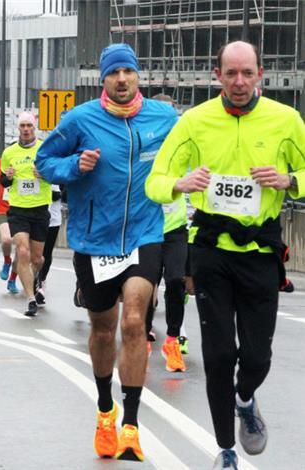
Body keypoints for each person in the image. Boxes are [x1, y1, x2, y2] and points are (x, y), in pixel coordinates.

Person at [145, 40, 305, 469]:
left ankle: (246, 399)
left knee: (257, 357)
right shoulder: (194, 122)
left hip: (260, 251)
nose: (239, 82)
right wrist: (179, 185)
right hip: (212, 250)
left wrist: (289, 180)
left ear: (261, 74)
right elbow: (155, 180)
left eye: (246, 73)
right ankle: (226, 451)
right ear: (217, 75)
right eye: (230, 73)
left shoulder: (286, 120)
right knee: (217, 357)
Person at [36, 43, 177, 462]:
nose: (121, 79)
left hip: (144, 233)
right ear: (103, 79)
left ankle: (131, 425)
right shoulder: (80, 119)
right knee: (102, 328)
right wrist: (74, 165)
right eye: (113, 73)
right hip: (94, 239)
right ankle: (104, 411)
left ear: (138, 76)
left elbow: (192, 148)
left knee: (135, 321)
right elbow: (45, 161)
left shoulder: (163, 117)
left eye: (127, 73)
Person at [0, 112, 52, 316]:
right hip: (18, 210)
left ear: (34, 127)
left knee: (37, 259)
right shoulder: (9, 152)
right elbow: (3, 181)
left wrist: (45, 174)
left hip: (40, 208)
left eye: (29, 125)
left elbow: (56, 174)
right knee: (22, 251)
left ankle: (34, 278)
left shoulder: (45, 149)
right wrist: (8, 177)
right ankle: (30, 298)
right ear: (18, 128)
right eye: (23, 126)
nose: (26, 129)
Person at [35, 184, 63, 306]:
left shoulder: (60, 170)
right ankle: (35, 283)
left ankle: (42, 280)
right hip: (36, 217)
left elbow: (65, 191)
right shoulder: (36, 169)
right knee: (36, 253)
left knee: (47, 252)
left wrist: (59, 194)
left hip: (54, 219)